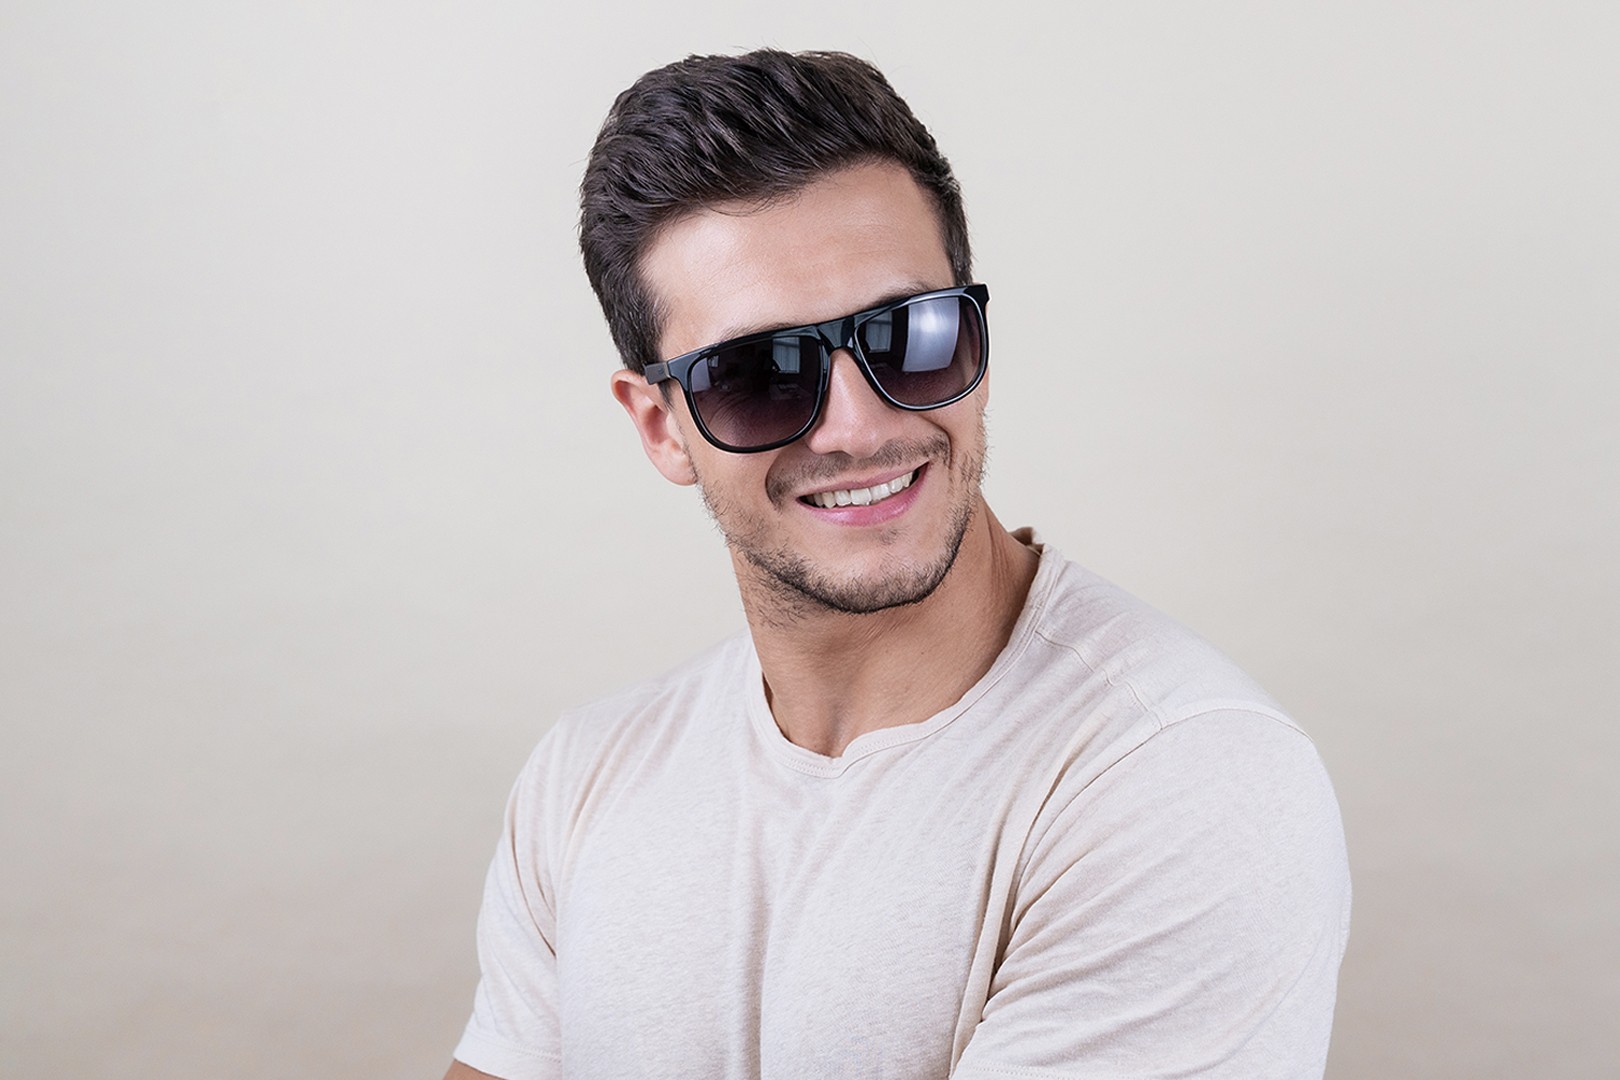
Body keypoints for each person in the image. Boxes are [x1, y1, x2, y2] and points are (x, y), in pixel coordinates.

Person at [445, 48, 1350, 1080]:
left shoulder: (1182, 777)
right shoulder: (585, 778)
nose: (860, 426)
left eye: (910, 335)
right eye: (757, 373)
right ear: (660, 426)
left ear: (977, 340)